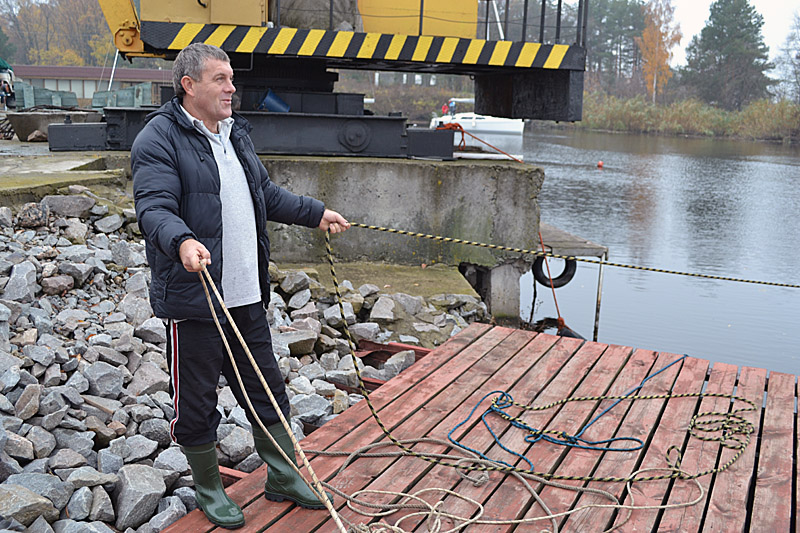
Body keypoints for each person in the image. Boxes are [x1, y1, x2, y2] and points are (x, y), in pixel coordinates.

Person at [131, 43, 349, 529]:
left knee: (267, 389)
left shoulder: (235, 133)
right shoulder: (158, 138)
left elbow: (263, 194)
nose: (232, 88)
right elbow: (153, 208)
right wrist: (182, 241)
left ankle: (282, 474)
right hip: (196, 299)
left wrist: (316, 214)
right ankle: (209, 488)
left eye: (231, 78)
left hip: (246, 294)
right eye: (221, 79)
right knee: (196, 402)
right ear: (189, 85)